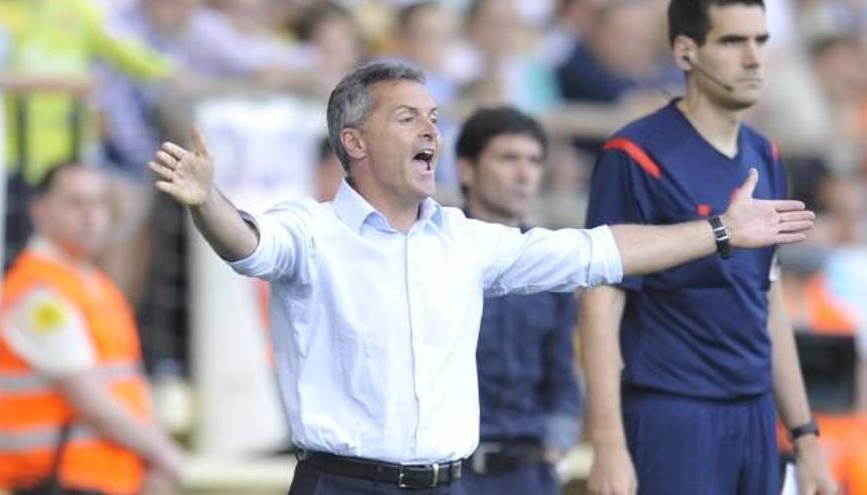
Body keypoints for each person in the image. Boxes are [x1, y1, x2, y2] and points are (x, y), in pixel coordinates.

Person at [148, 61, 813, 494]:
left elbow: (598, 251)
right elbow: (249, 245)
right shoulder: (311, 228)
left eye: (435, 117)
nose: (431, 128)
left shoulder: (467, 242)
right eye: (407, 116)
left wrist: (721, 231)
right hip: (342, 484)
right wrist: (207, 199)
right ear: (354, 141)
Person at [581, 1, 838, 494]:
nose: (754, 57)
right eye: (732, 41)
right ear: (685, 52)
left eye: (761, 40)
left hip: (755, 414)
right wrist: (608, 447)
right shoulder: (635, 153)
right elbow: (598, 307)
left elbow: (768, 298)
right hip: (673, 414)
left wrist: (805, 438)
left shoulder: (766, 154)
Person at [0, 164, 184, 495]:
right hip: (57, 481)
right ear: (40, 211)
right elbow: (89, 397)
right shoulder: (37, 291)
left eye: (100, 203)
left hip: (104, 480)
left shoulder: (94, 284)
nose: (91, 216)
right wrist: (162, 454)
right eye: (76, 203)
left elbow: (127, 388)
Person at [456, 106, 578, 495]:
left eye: (534, 160)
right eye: (508, 158)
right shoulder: (431, 253)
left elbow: (560, 371)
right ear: (466, 169)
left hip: (528, 471)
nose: (525, 174)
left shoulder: (551, 262)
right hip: (445, 474)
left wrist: (555, 448)